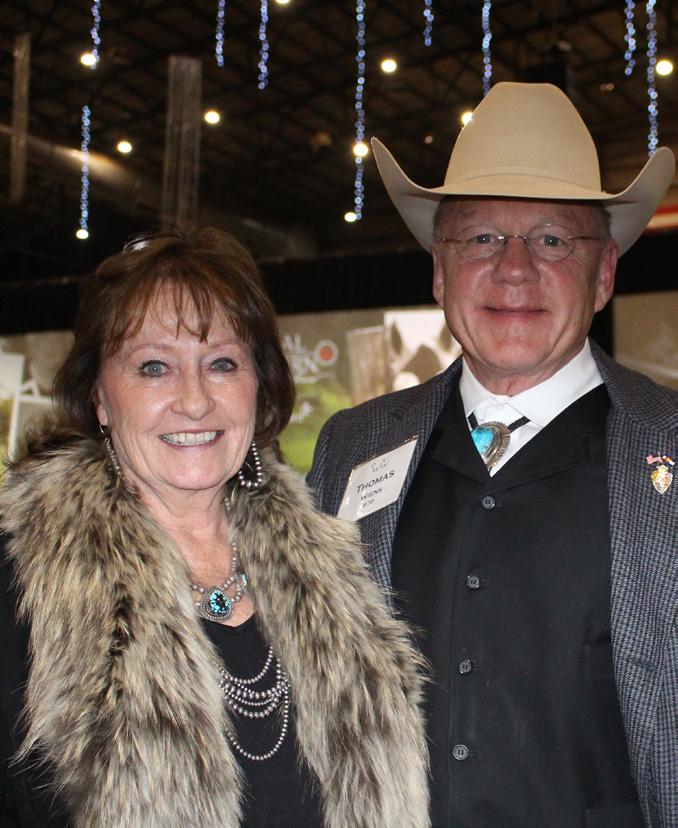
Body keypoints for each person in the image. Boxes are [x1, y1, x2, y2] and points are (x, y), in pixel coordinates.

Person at [308, 82, 677, 828]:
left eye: (552, 239)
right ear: (438, 271)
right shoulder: (353, 446)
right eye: (480, 238)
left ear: (604, 274)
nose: (513, 268)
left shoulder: (667, 445)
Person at [0, 226, 430, 827]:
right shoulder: (23, 583)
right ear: (99, 397)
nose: (195, 400)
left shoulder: (335, 569)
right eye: (154, 367)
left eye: (222, 363)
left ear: (260, 386)